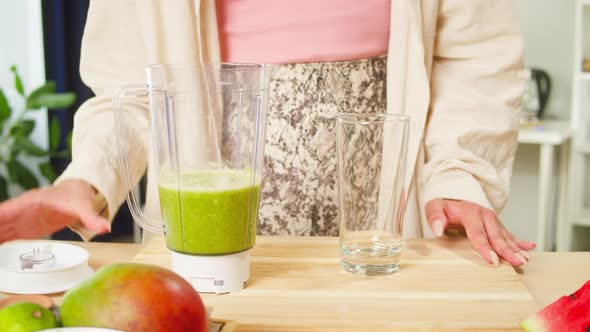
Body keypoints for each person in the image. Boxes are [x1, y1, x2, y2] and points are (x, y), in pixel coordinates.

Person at [0, 0, 535, 267]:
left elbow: (476, 57)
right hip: (208, 256)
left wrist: (457, 172)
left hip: (390, 240)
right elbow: (132, 89)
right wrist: (88, 178)